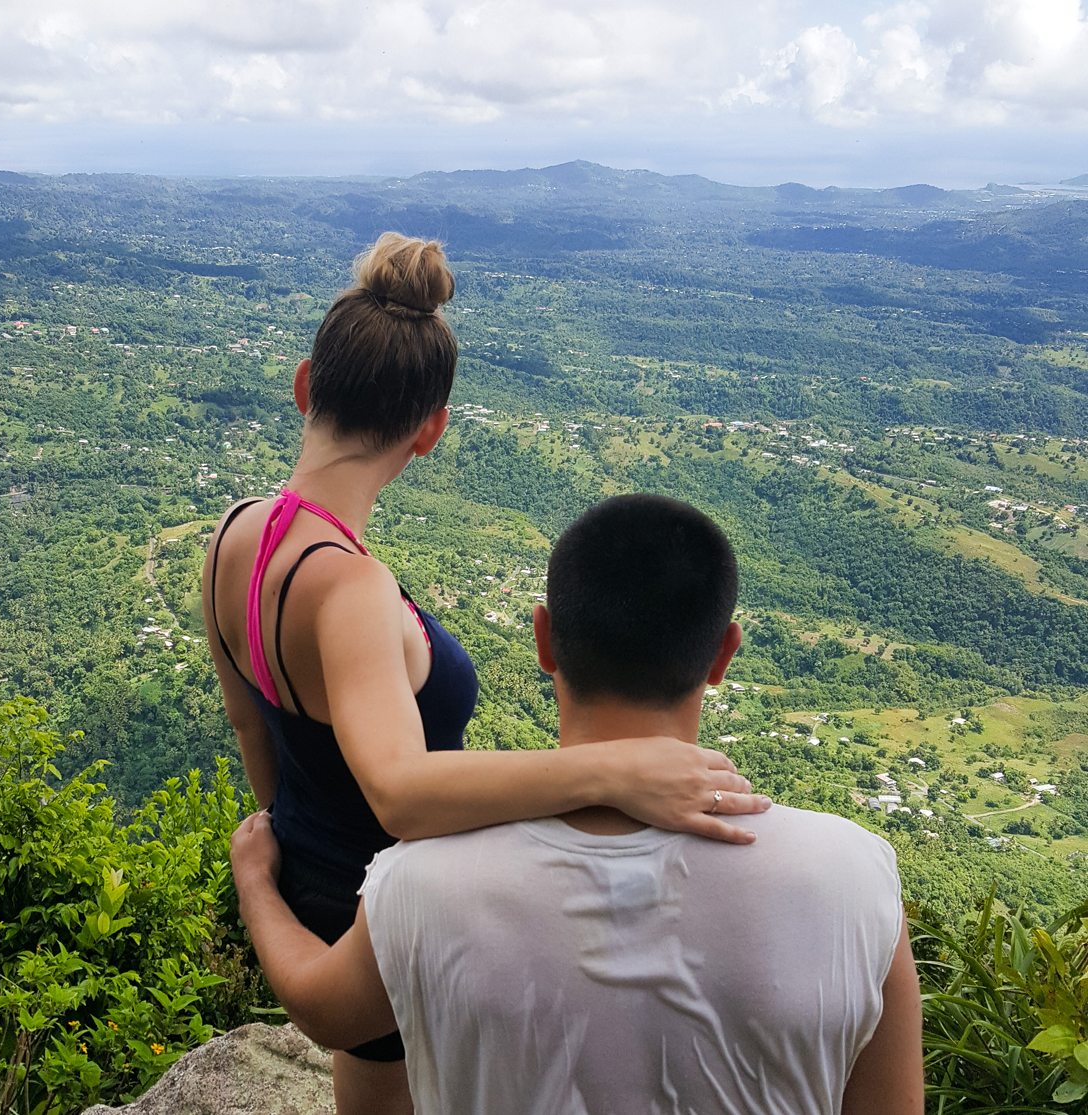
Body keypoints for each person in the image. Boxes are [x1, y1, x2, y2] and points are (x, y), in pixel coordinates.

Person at [203, 234, 771, 1114]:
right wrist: (617, 769)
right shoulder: (350, 586)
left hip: (318, 877)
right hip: (391, 909)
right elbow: (399, 791)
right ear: (431, 430)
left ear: (305, 384)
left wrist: (283, 855)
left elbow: (253, 724)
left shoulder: (235, 534)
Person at [231, 493, 923, 1115]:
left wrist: (257, 880)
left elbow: (323, 1008)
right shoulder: (856, 878)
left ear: (542, 639)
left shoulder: (423, 884)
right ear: (723, 655)